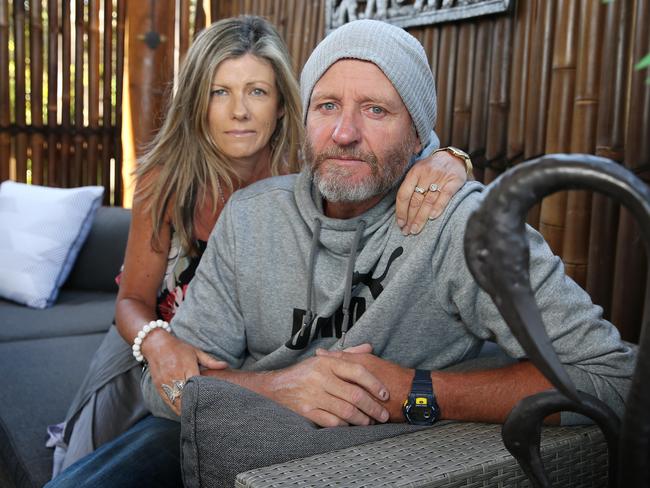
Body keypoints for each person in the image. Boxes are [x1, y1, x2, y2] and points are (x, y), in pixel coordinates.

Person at [47, 18, 635, 488]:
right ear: (304, 118)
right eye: (327, 106)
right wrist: (278, 385)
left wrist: (417, 391)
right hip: (212, 405)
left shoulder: (460, 225)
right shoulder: (252, 213)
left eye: (376, 110)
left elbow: (613, 377)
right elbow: (163, 382)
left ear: (419, 131)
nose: (344, 132)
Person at [46, 15, 470, 478]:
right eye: (220, 91)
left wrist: (450, 159)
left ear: (284, 104)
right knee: (90, 453)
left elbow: (395, 144)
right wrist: (158, 343)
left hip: (240, 356)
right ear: (197, 102)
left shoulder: (314, 173)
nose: (240, 111)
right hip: (153, 332)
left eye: (257, 91)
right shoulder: (165, 179)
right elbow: (131, 300)